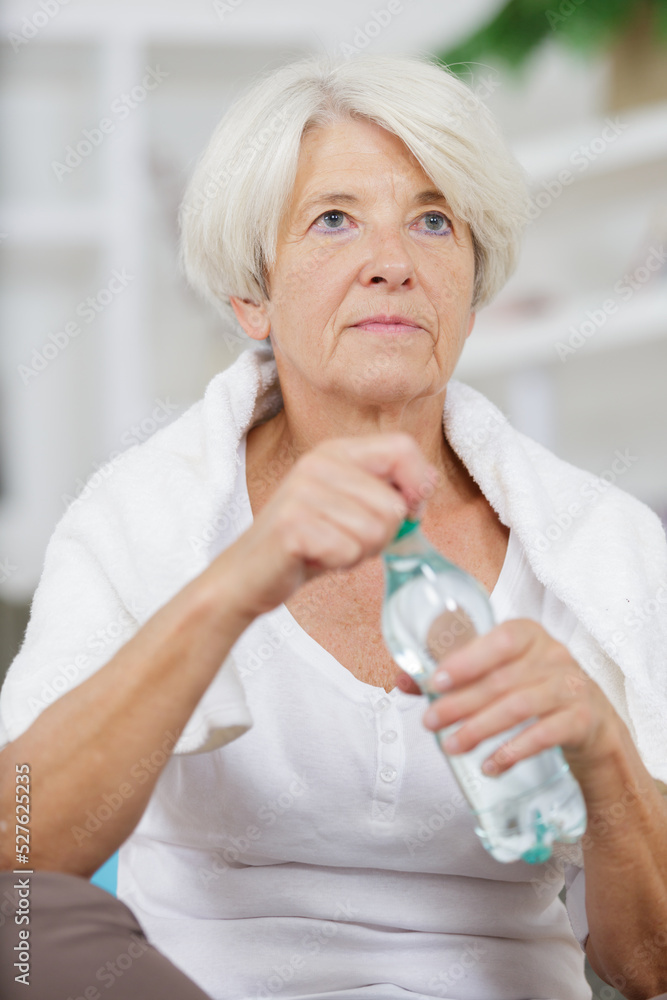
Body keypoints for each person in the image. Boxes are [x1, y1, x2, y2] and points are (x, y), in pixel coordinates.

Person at [1, 53, 666, 1000]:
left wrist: (601, 751)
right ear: (252, 297)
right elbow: (19, 842)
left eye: (432, 222)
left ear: (471, 290)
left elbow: (649, 968)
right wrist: (232, 587)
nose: (392, 262)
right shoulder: (138, 515)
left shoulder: (601, 547)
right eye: (334, 220)